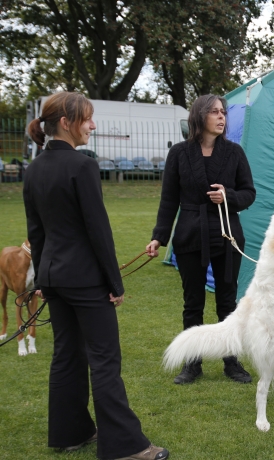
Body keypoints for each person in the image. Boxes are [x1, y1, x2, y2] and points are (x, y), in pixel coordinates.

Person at [23, 92, 168, 460]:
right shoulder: (82, 165)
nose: (94, 125)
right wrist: (114, 285)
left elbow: (36, 232)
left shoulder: (34, 168)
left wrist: (42, 279)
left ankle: (69, 433)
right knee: (104, 360)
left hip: (53, 278)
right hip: (85, 281)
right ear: (68, 123)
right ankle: (126, 447)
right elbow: (97, 232)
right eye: (88, 118)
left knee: (67, 356)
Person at [146, 94, 256, 385]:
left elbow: (249, 193)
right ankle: (191, 363)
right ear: (199, 117)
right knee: (192, 302)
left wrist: (227, 196)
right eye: (215, 112)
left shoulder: (234, 153)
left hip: (227, 234)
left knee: (227, 302)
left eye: (223, 112)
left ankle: (231, 362)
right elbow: (169, 200)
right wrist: (159, 237)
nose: (222, 117)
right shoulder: (180, 153)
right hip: (190, 235)